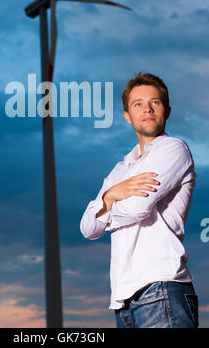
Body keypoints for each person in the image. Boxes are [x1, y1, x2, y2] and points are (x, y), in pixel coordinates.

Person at [80, 72, 198, 328]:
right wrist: (112, 194)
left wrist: (108, 205)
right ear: (127, 116)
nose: (147, 109)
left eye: (154, 102)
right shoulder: (121, 169)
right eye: (138, 104)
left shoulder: (173, 149)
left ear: (167, 110)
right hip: (124, 301)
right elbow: (88, 228)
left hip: (162, 289)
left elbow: (137, 208)